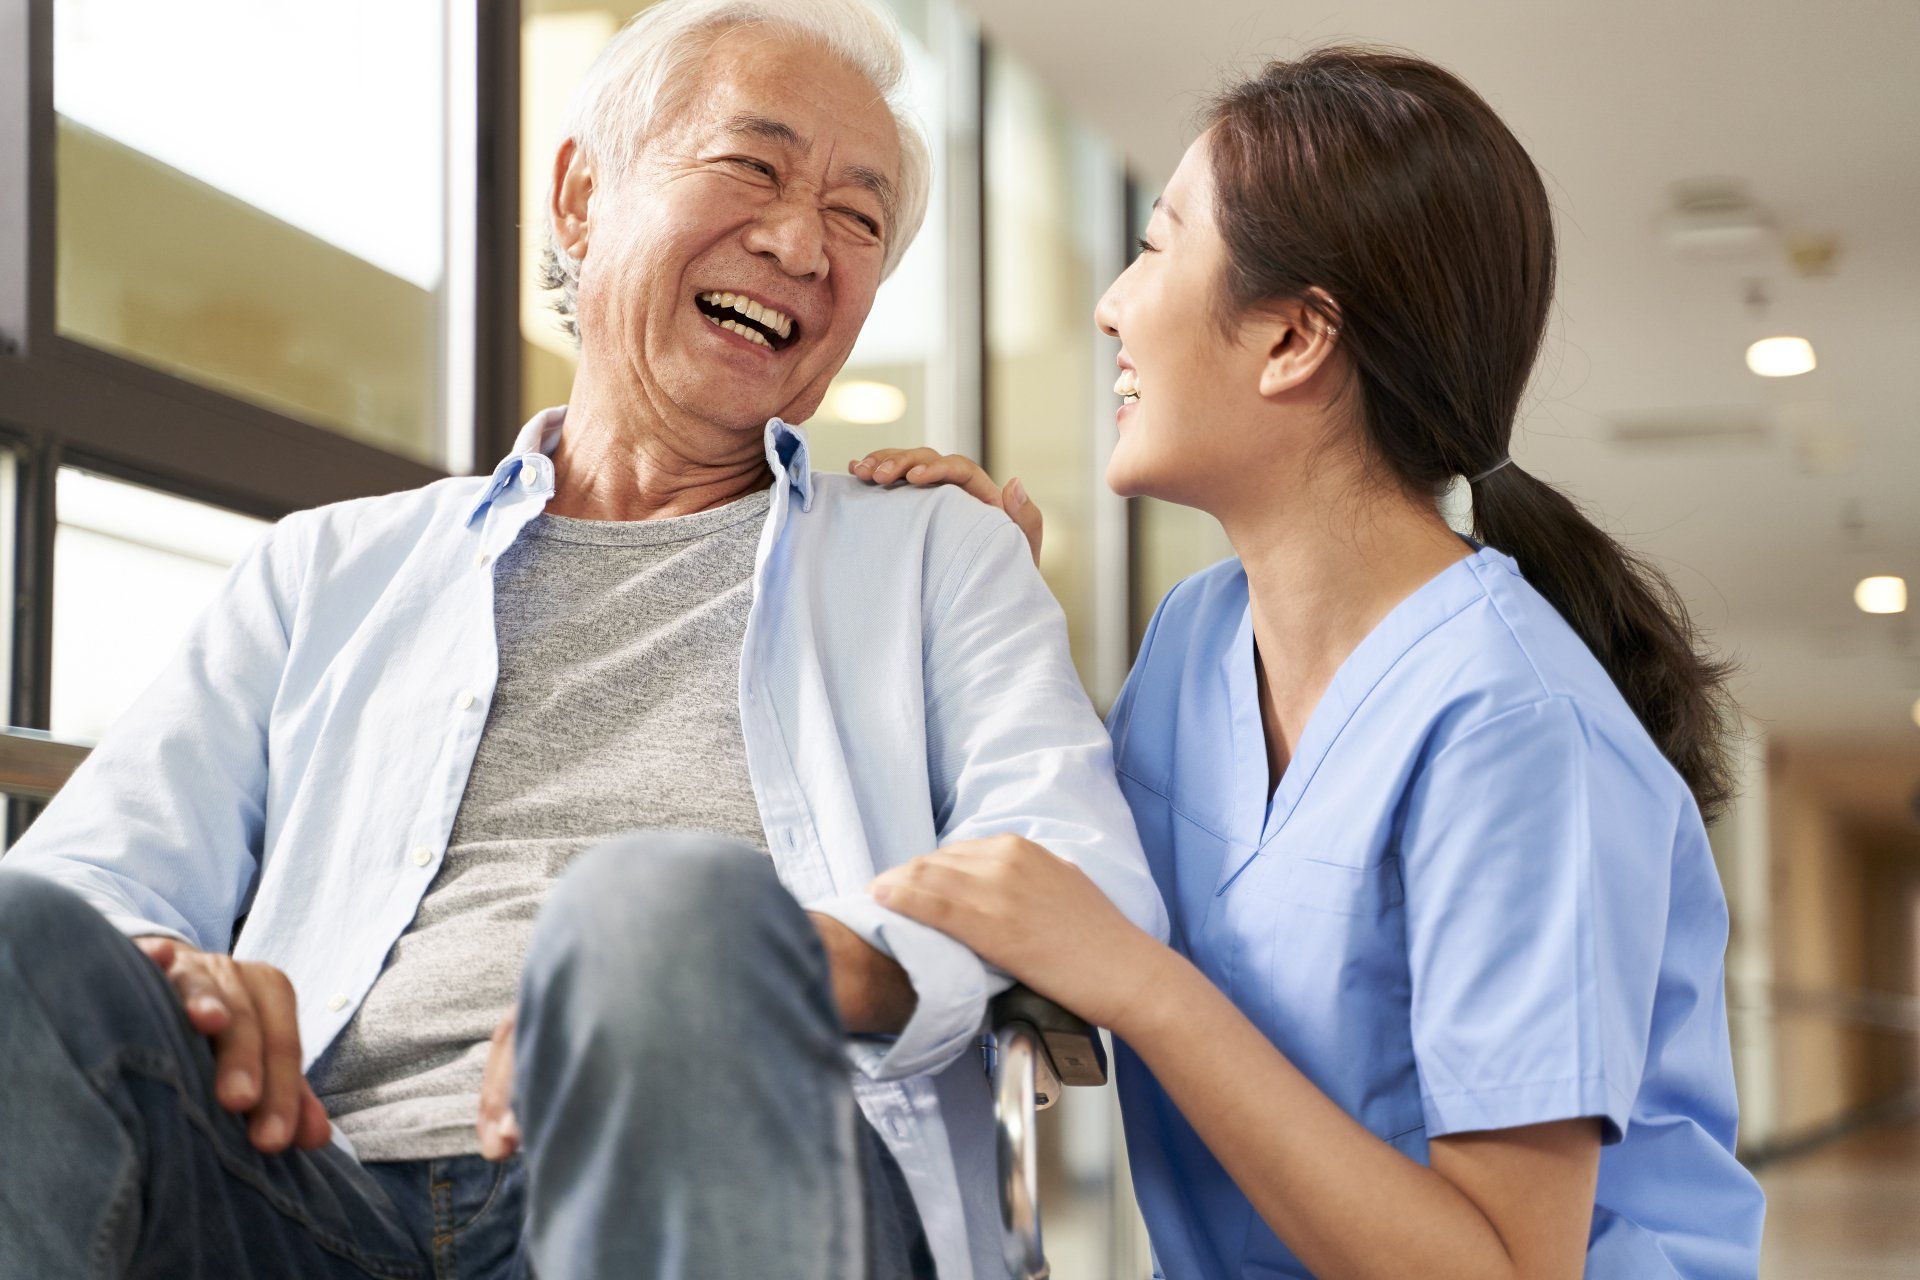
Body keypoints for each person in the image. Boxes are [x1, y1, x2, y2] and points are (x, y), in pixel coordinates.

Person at [0, 2, 1164, 1278]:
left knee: (660, 906)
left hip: (719, 1180)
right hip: (303, 1188)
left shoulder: (936, 551)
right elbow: (96, 876)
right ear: (579, 195)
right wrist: (177, 967)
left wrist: (821, 958)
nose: (798, 240)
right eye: (752, 166)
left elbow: (1078, 868)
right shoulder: (329, 567)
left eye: (859, 217)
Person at [854, 46, 1766, 1280]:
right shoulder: (1192, 640)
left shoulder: (1515, 725)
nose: (1112, 303)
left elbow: (1502, 1267)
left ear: (1293, 335)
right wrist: (982, 615)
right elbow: (1056, 886)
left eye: (1157, 244)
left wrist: (1146, 988)